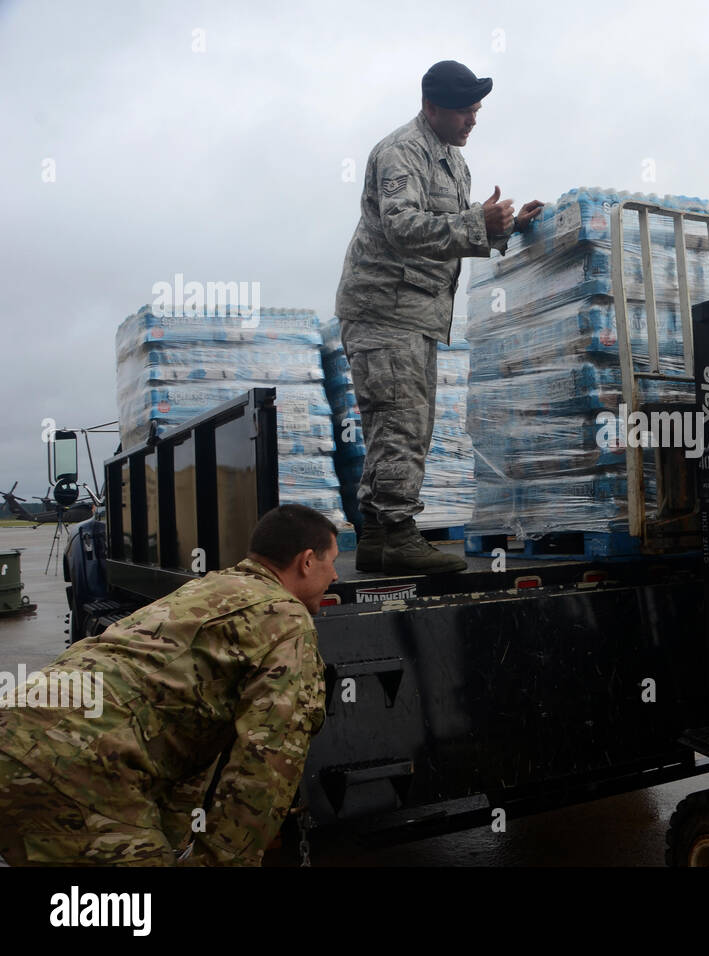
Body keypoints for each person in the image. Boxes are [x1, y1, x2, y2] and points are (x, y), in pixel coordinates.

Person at [0, 504, 336, 866]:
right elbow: (267, 765)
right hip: (76, 766)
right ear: (306, 561)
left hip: (15, 736)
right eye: (330, 561)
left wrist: (176, 843)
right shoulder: (285, 620)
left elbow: (187, 744)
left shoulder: (210, 588)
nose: (334, 574)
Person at [335, 60, 543, 575]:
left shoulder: (451, 159)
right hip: (384, 310)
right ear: (431, 107)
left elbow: (449, 229)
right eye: (464, 112)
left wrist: (505, 226)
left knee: (400, 423)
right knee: (401, 423)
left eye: (476, 111)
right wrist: (478, 221)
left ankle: (380, 539)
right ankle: (401, 534)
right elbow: (403, 226)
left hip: (414, 313)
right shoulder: (402, 151)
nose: (472, 121)